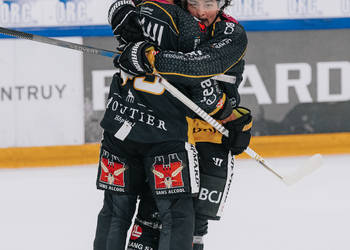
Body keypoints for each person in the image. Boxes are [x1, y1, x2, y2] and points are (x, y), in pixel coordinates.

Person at [93, 0, 250, 249]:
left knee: (122, 213)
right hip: (168, 132)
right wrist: (123, 19)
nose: (200, 11)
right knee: (172, 217)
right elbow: (200, 83)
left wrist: (140, 51)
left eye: (208, 3)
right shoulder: (182, 22)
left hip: (138, 124)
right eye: (194, 3)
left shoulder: (227, 32)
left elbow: (198, 68)